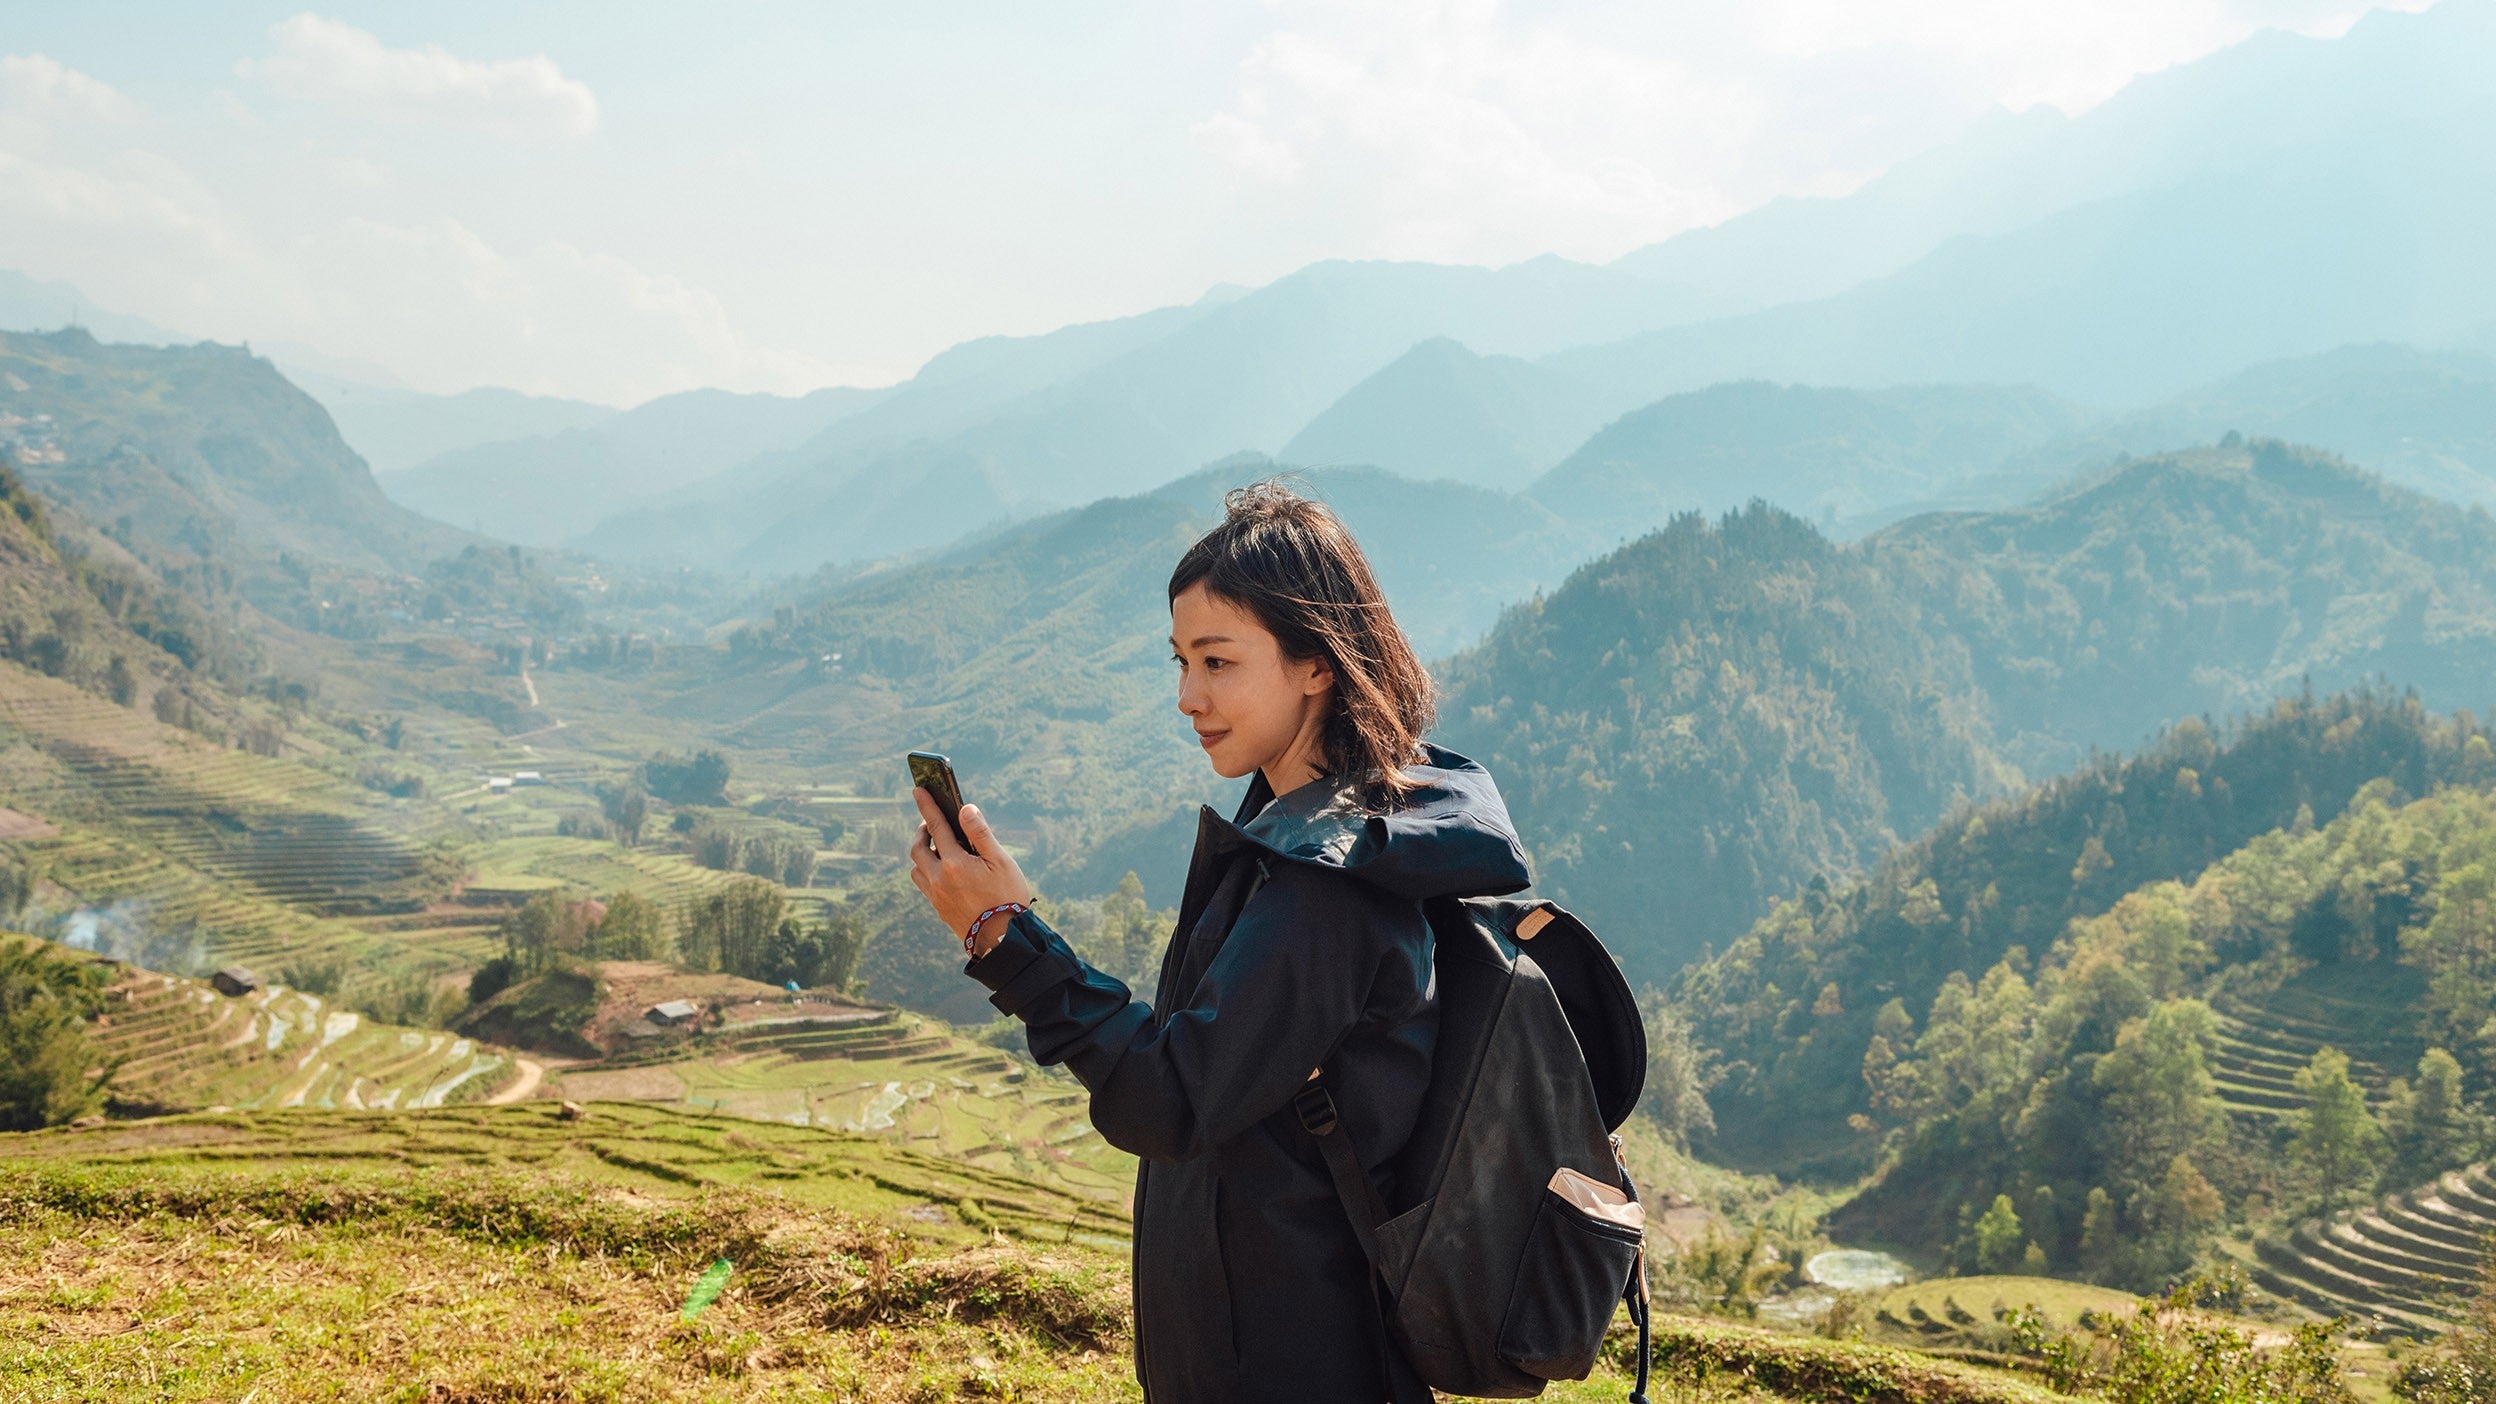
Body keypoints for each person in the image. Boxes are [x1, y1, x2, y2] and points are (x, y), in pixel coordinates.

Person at [909, 481, 1533, 1404]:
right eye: (1179, 661)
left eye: (1217, 662)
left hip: (1296, 1362)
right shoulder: (1310, 833)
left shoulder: (1329, 887)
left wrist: (1004, 935)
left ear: (1315, 663)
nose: (1187, 696)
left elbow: (1169, 1100)